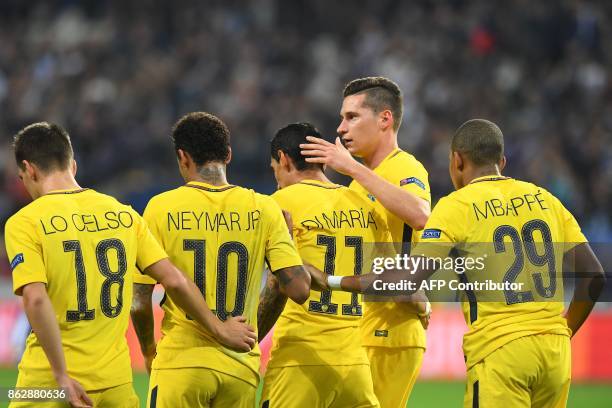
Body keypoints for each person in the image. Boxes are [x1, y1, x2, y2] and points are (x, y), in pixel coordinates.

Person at [322, 119, 606, 407]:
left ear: (457, 160)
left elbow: (406, 281)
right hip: (555, 354)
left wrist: (334, 280)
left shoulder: (457, 205)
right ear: (502, 161)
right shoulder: (545, 199)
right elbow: (594, 276)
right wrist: (565, 328)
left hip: (500, 350)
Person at [4, 122, 256, 408]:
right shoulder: (124, 216)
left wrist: (61, 376)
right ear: (72, 166)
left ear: (29, 169)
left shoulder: (24, 223)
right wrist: (218, 328)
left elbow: (36, 300)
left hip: (47, 385)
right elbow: (173, 279)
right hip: (116, 385)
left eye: (23, 177)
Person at [130, 112, 311, 408]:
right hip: (240, 368)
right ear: (228, 154)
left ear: (182, 156)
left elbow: (139, 302)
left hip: (182, 363)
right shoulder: (265, 209)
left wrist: (149, 352)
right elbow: (298, 289)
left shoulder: (160, 208)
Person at [301, 76, 431, 407]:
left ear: (385, 119)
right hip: (360, 327)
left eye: (352, 117)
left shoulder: (404, 166)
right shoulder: (359, 183)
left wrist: (352, 170)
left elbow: (421, 215)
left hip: (392, 330)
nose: (341, 128)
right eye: (342, 118)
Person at [260, 122, 403, 407]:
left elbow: (278, 284)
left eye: (274, 167)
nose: (276, 177)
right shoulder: (366, 206)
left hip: (298, 360)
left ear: (284, 159)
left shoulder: (276, 205)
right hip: (354, 366)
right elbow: (392, 279)